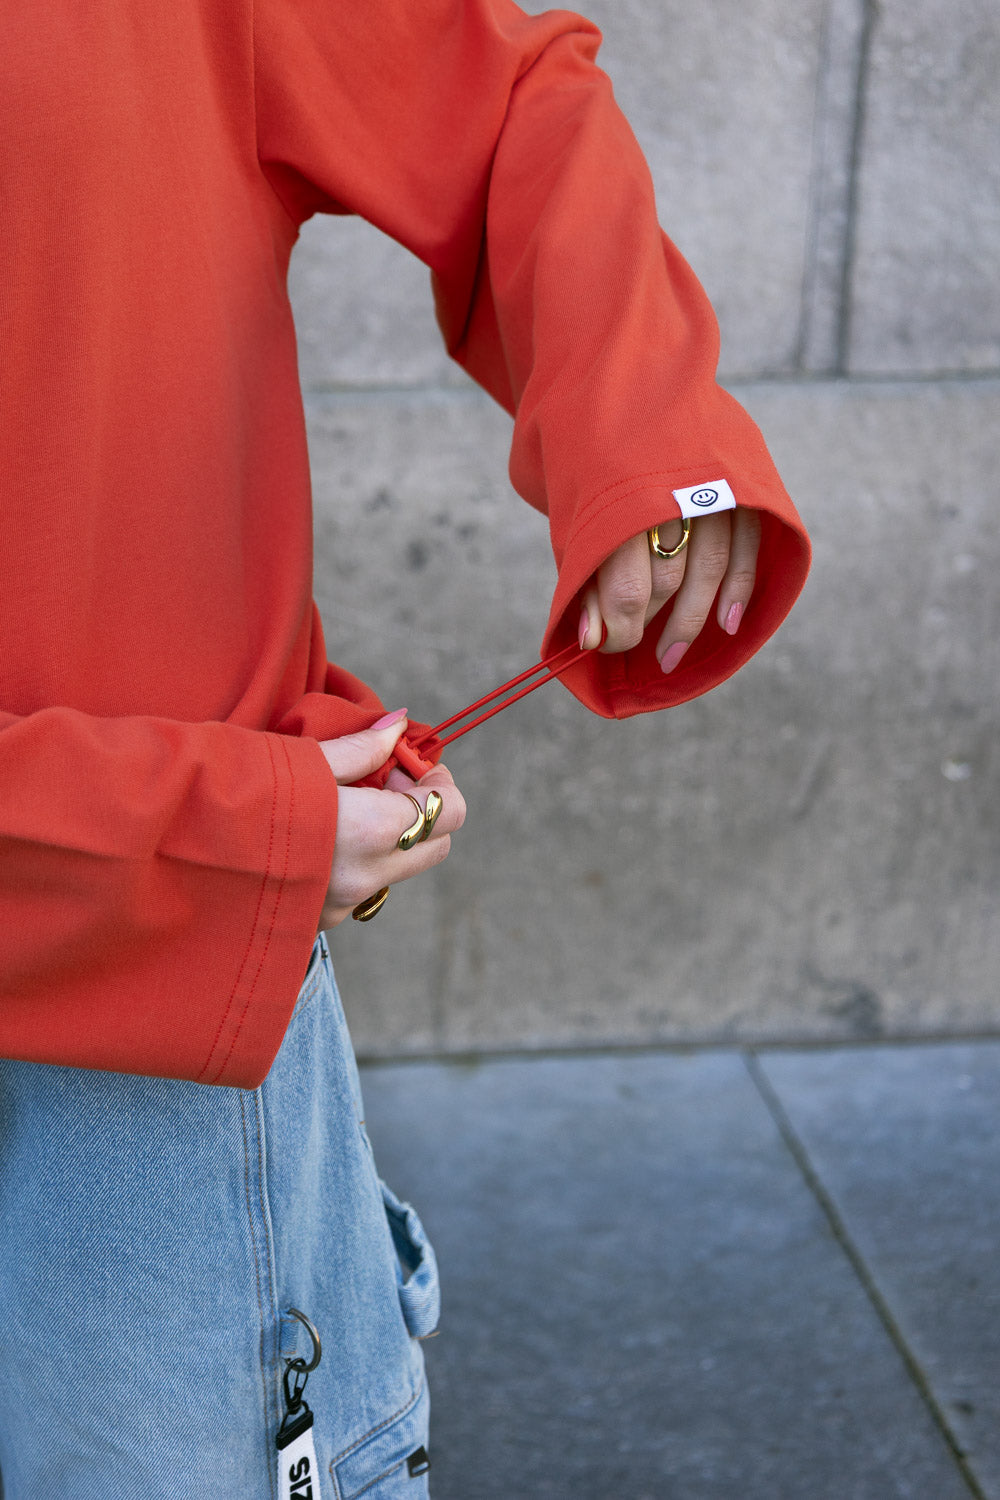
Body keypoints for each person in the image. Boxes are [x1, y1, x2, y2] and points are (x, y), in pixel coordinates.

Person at [0, 0, 810, 1494]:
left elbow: (494, 102)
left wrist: (641, 424)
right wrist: (197, 830)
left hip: (142, 1043)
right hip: (170, 883)